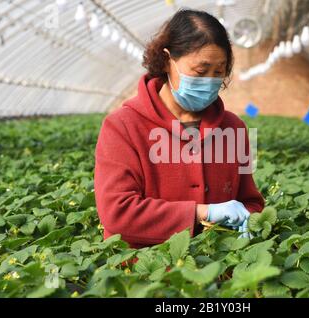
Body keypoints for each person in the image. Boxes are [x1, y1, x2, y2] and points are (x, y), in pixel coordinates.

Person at [94, 9, 264, 249]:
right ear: (166, 61)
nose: (210, 81)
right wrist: (202, 213)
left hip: (219, 270)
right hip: (143, 276)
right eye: (200, 71)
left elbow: (250, 202)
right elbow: (117, 212)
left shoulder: (233, 128)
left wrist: (249, 218)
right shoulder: (123, 127)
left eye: (219, 72)